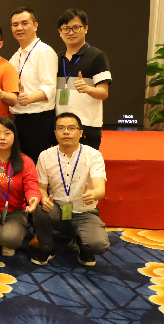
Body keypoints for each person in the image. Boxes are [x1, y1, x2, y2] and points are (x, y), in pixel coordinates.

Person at [32, 112, 109, 266]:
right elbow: (41, 187)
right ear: (55, 133)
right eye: (61, 128)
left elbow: (101, 189)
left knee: (99, 245)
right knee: (41, 210)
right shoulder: (45, 156)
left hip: (84, 212)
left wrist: (93, 194)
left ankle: (83, 246)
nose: (66, 132)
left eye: (71, 128)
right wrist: (44, 198)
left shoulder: (93, 155)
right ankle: (46, 249)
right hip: (58, 210)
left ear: (80, 133)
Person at [0, 117, 40, 266]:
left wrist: (33, 198)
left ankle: (3, 237)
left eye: (7, 133)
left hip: (15, 211)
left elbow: (31, 185)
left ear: (14, 136)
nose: (2, 137)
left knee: (10, 239)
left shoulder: (25, 161)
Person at [55, 9, 111, 150]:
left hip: (87, 127)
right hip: (61, 127)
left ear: (86, 28)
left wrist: (87, 89)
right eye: (66, 29)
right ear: (60, 32)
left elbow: (103, 93)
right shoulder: (56, 58)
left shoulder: (97, 56)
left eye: (76, 27)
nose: (71, 32)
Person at [8, 7, 58, 163]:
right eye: (15, 25)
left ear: (35, 25)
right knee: (21, 167)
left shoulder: (44, 52)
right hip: (19, 120)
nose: (19, 28)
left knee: (36, 167)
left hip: (38, 121)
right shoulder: (16, 56)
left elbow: (50, 87)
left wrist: (29, 98)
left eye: (24, 23)